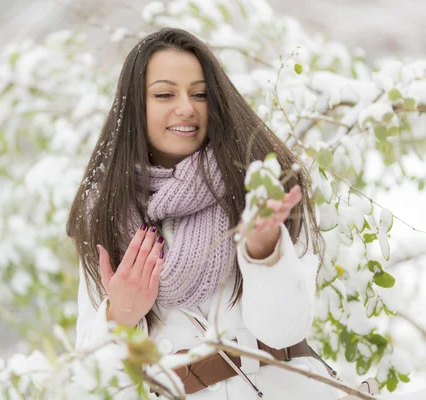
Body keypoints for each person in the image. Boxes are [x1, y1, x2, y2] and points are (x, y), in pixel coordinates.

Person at [67, 28, 340, 399]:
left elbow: (285, 329)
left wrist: (263, 250)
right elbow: (92, 380)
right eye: (165, 94)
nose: (187, 107)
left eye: (200, 94)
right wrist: (120, 316)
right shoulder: (105, 213)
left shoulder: (262, 186)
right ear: (134, 107)